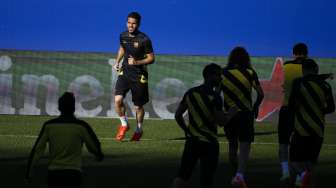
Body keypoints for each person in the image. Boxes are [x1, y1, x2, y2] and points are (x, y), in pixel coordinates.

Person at [172, 63, 238, 188]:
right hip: (209, 144)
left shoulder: (191, 93)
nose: (220, 78)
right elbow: (221, 122)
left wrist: (186, 130)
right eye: (218, 75)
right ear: (210, 76)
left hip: (192, 142)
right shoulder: (215, 97)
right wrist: (230, 113)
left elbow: (177, 115)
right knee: (206, 180)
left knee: (182, 176)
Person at [25, 92, 104, 188]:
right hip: (73, 174)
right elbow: (94, 147)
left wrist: (29, 173)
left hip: (54, 174)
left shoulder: (49, 126)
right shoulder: (81, 126)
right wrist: (99, 155)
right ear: (74, 108)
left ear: (59, 108)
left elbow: (37, 150)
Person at [220, 47, 264, 188]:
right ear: (246, 58)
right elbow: (261, 93)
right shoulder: (250, 73)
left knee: (232, 145)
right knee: (245, 146)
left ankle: (235, 175)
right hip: (245, 113)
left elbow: (216, 94)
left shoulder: (223, 73)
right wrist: (256, 106)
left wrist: (221, 110)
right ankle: (240, 175)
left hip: (230, 114)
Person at [288, 61, 335, 188]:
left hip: (301, 129)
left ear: (303, 70)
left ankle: (302, 175)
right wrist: (319, 110)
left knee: (294, 162)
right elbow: (331, 108)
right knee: (311, 165)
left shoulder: (298, 83)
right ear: (316, 69)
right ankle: (306, 179)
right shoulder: (325, 86)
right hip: (318, 130)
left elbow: (291, 105)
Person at [113, 11, 155, 141]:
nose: (131, 26)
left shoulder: (144, 39)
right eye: (129, 23)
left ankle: (138, 129)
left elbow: (151, 58)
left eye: (134, 23)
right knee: (118, 100)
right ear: (126, 23)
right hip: (125, 72)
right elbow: (122, 48)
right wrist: (117, 62)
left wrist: (137, 62)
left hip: (139, 75)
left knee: (138, 106)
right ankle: (124, 124)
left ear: (138, 24)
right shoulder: (123, 35)